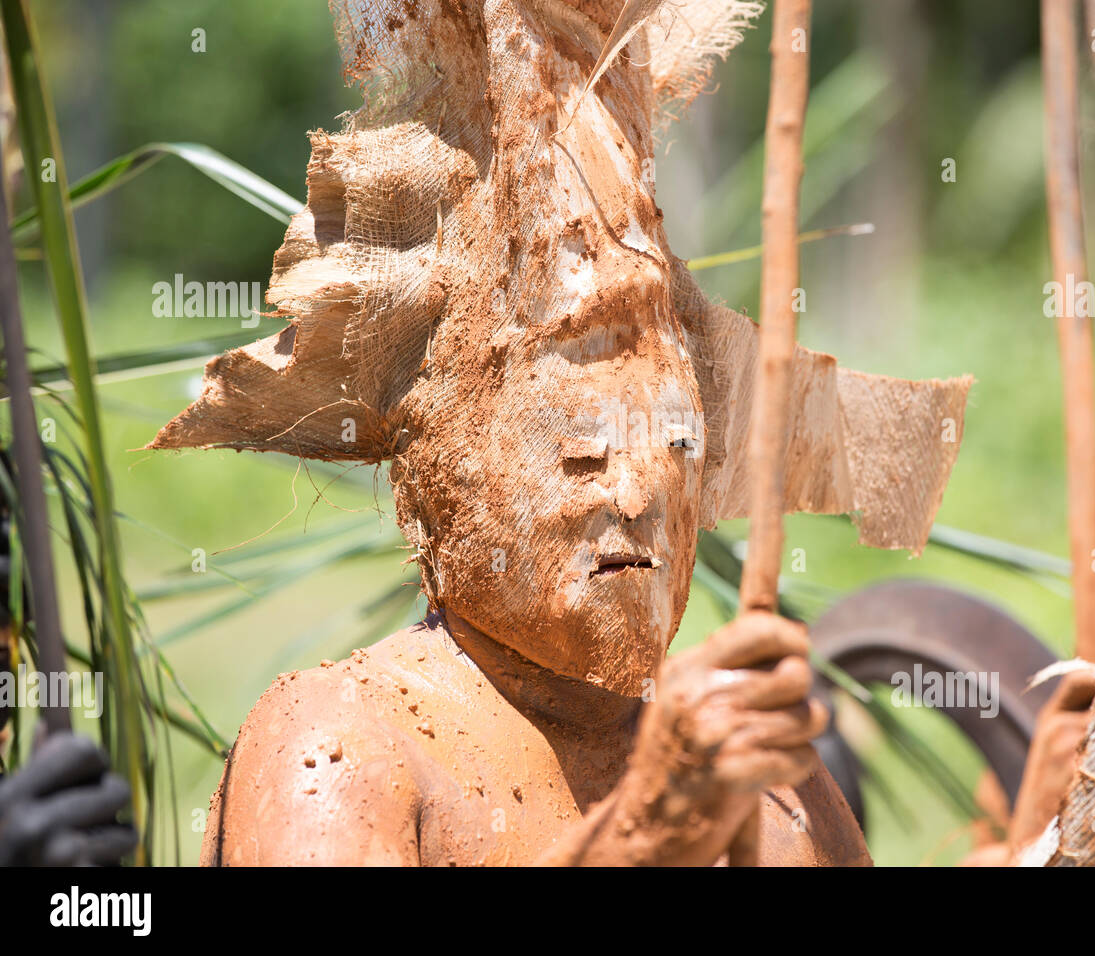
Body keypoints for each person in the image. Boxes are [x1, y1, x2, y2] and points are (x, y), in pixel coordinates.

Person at [154, 0, 970, 866]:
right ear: (433, 484)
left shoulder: (767, 774)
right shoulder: (344, 740)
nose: (635, 496)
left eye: (676, 450)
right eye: (583, 455)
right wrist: (644, 836)